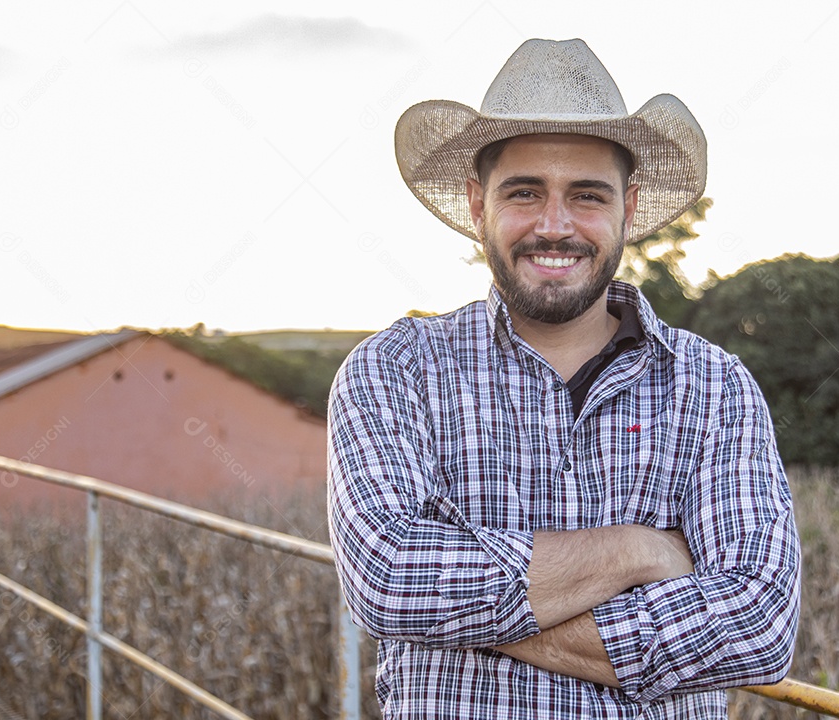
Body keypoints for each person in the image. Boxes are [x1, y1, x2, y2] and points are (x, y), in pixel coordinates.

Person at [328, 38, 800, 718]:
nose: (555, 226)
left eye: (586, 195)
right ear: (475, 204)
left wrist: (465, 614)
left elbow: (759, 627)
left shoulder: (715, 387)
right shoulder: (394, 371)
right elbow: (388, 583)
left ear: (628, 210)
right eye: (524, 192)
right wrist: (637, 551)